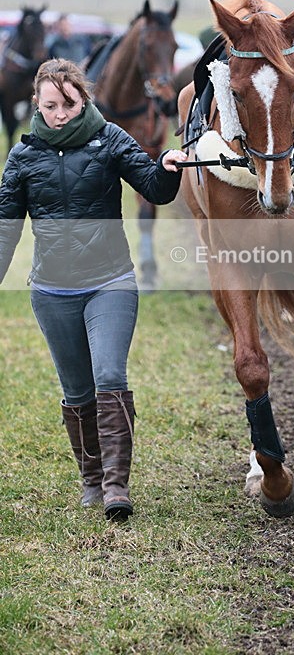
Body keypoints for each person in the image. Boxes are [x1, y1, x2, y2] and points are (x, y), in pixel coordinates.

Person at [0, 58, 187, 522]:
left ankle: (115, 485)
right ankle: (90, 476)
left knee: (109, 376)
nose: (60, 113)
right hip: (52, 290)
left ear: (83, 100)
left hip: (110, 282)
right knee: (77, 389)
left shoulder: (110, 140)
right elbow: (6, 231)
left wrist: (167, 167)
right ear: (37, 106)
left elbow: (155, 189)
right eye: (50, 105)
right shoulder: (22, 157)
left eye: (68, 103)